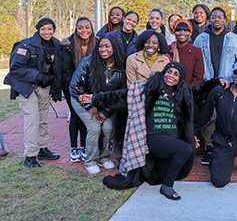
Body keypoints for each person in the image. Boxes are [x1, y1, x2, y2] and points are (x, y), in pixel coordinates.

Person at [82, 62, 228, 200]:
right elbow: (121, 96)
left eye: (176, 74)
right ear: (163, 73)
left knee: (166, 168)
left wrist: (216, 81)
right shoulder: (149, 89)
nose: (171, 75)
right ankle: (167, 187)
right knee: (186, 150)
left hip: (171, 139)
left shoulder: (185, 94)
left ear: (180, 79)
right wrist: (95, 98)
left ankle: (165, 179)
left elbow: (202, 90)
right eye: (168, 71)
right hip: (154, 136)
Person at [193, 7, 237, 165]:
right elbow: (197, 62)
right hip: (208, 84)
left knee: (224, 116)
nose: (216, 20)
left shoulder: (234, 39)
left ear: (225, 20)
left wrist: (236, 79)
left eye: (220, 17)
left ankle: (224, 147)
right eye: (214, 18)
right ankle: (209, 148)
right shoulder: (201, 38)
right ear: (210, 20)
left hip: (228, 85)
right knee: (209, 116)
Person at [5, 18, 62, 168]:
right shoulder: (26, 45)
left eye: (50, 28)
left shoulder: (55, 45)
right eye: (43, 29)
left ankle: (43, 149)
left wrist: (55, 87)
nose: (47, 32)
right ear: (38, 30)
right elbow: (16, 69)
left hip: (45, 87)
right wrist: (37, 76)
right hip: (28, 88)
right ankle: (30, 156)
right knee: (32, 121)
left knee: (43, 120)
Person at [69, 35, 127, 174]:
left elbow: (119, 94)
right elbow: (74, 87)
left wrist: (106, 112)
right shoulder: (88, 62)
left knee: (107, 128)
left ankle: (104, 158)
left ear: (115, 47)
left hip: (103, 102)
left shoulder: (121, 66)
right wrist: (91, 108)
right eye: (101, 46)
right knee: (94, 128)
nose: (103, 49)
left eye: (107, 46)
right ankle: (91, 161)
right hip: (81, 99)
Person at [61, 17, 96, 162]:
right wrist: (76, 91)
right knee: (75, 115)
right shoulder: (67, 44)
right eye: (80, 27)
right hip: (71, 86)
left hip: (89, 86)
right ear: (76, 29)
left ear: (91, 28)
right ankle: (74, 147)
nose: (84, 30)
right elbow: (67, 70)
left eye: (87, 27)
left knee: (85, 115)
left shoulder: (97, 42)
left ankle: (83, 146)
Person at [167, 19, 204, 87]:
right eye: (179, 30)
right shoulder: (168, 50)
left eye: (186, 31)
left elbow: (198, 76)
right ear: (174, 32)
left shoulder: (196, 51)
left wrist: (187, 90)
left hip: (188, 91)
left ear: (190, 33)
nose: (182, 33)